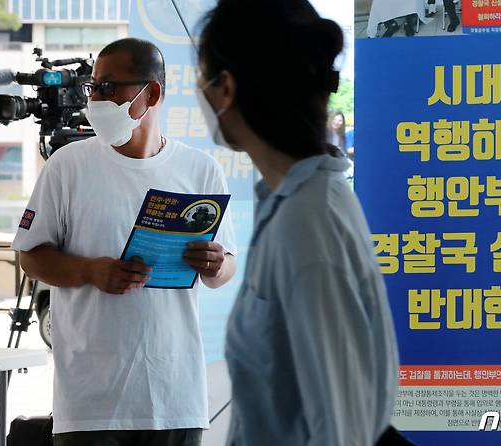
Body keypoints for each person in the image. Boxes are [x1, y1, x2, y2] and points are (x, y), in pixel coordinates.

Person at [13, 38, 237, 446]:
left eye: (109, 87)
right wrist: (89, 270)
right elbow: (30, 257)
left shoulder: (200, 170)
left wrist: (217, 264)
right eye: (93, 86)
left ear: (151, 93)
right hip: (90, 404)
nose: (96, 98)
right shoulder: (68, 166)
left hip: (176, 399)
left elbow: (225, 270)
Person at [195, 1, 400, 445]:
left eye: (202, 77)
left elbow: (341, 430)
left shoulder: (308, 224)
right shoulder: (292, 204)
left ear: (226, 88)